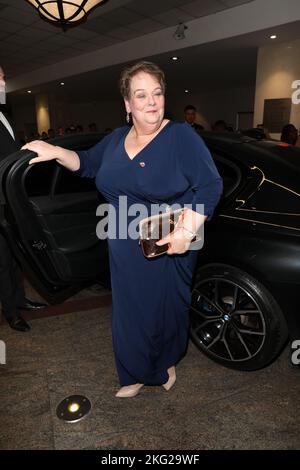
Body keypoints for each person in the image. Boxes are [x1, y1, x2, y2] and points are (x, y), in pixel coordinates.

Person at [22, 61, 223, 396]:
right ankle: (135, 372)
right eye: (141, 95)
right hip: (122, 240)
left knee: (165, 310)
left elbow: (210, 186)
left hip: (168, 240)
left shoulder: (180, 136)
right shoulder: (117, 138)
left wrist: (185, 233)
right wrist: (54, 150)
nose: (151, 102)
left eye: (157, 93)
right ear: (127, 104)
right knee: (130, 311)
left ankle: (165, 364)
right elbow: (86, 164)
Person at [0, 65, 46, 332]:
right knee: (2, 260)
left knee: (17, 255)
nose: (4, 83)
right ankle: (10, 311)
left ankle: (20, 299)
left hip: (11, 199)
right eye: (0, 78)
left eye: (4, 78)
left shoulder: (6, 112)